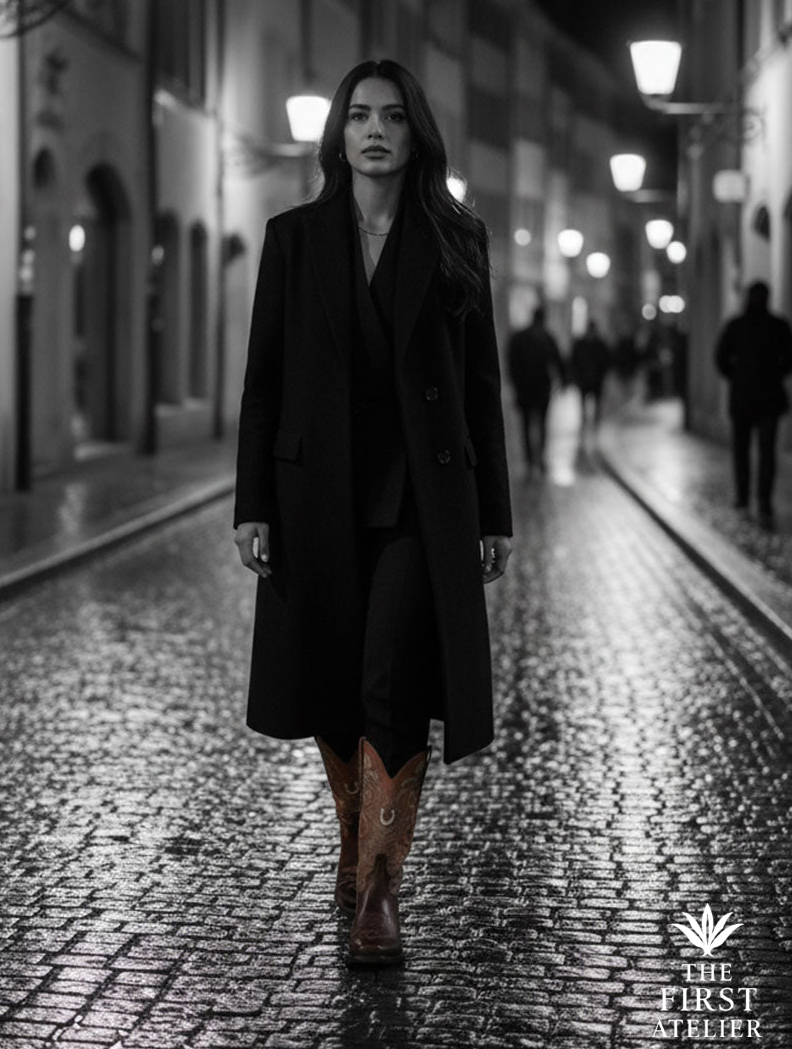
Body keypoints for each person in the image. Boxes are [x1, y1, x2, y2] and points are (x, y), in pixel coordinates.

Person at [233, 60, 512, 966]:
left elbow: (481, 389)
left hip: (421, 503)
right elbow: (264, 380)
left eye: (392, 116)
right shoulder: (294, 237)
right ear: (340, 135)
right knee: (333, 682)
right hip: (315, 494)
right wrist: (253, 504)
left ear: (414, 133)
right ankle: (357, 846)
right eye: (360, 116)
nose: (375, 131)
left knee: (392, 679)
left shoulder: (457, 237)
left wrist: (493, 511)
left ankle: (381, 893)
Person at [715, 280, 792, 529]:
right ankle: (763, 500)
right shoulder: (778, 326)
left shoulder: (737, 326)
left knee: (743, 450)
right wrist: (776, 374)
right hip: (767, 397)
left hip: (744, 398)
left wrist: (737, 376)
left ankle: (744, 497)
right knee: (766, 452)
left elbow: (721, 359)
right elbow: (789, 359)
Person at [506, 306, 565, 475]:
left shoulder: (520, 337)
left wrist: (515, 382)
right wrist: (562, 379)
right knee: (542, 423)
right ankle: (539, 457)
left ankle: (530, 460)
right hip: (541, 388)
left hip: (525, 388)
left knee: (526, 424)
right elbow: (557, 359)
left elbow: (512, 362)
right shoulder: (546, 337)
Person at [570, 320, 611, 428]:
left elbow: (606, 360)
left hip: (595, 378)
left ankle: (594, 421)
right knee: (586, 400)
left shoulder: (596, 344)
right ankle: (587, 420)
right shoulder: (585, 344)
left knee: (595, 401)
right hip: (586, 378)